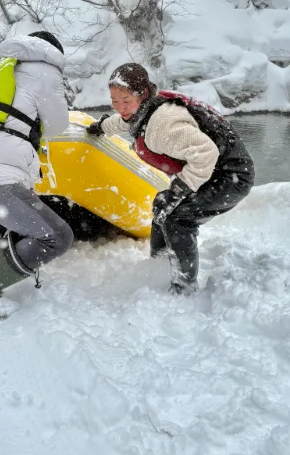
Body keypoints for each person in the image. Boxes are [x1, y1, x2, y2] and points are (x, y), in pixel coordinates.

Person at [86, 63, 254, 294]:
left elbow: (206, 154)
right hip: (211, 172)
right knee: (162, 207)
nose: (120, 107)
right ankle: (160, 264)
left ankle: (184, 286)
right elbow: (124, 122)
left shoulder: (164, 123)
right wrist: (100, 127)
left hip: (231, 176)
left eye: (125, 100)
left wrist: (178, 190)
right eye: (115, 100)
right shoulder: (142, 111)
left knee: (178, 218)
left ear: (142, 94)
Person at [0, 31, 73, 319]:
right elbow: (58, 125)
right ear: (52, 51)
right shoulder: (46, 71)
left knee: (28, 227)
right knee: (57, 236)